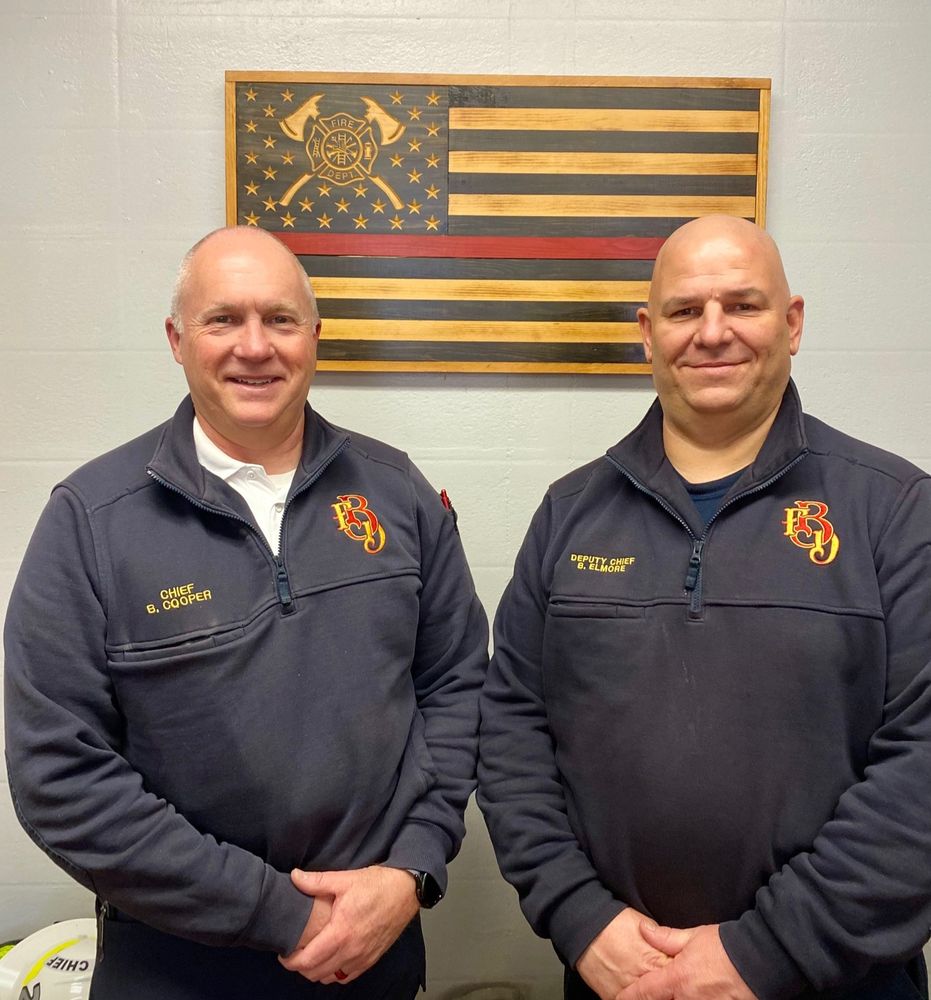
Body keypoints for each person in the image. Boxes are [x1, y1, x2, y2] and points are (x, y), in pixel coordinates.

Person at [4, 226, 488, 999]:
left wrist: (412, 867)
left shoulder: (396, 492)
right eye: (223, 319)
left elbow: (458, 687)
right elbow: (59, 776)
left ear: (314, 337)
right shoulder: (90, 520)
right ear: (177, 340)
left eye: (280, 319)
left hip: (373, 950)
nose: (254, 346)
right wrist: (280, 914)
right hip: (173, 967)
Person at [478, 215, 931, 1000]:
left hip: (835, 978)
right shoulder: (570, 514)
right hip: (620, 974)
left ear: (791, 323)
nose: (712, 332)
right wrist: (579, 916)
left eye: (742, 305)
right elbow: (512, 730)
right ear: (646, 333)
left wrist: (765, 952)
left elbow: (921, 766)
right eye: (685, 310)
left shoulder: (892, 509)